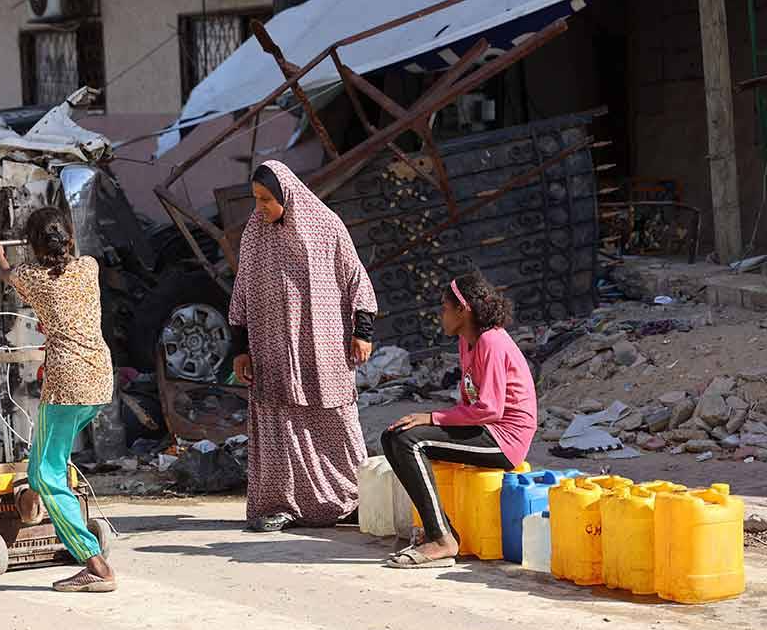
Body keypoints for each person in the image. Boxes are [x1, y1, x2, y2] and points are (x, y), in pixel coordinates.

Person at [229, 160, 378, 532]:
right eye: (256, 200)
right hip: (272, 352)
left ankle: (353, 500)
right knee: (280, 427)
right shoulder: (253, 234)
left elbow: (356, 278)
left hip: (323, 351)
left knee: (338, 425)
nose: (260, 207)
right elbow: (243, 292)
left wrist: (363, 331)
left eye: (266, 200)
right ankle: (281, 506)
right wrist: (241, 347)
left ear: (287, 196)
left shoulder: (327, 227)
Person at [0, 206, 116, 592]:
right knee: (50, 451)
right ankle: (31, 504)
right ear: (69, 239)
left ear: (35, 246)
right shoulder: (89, 267)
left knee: (46, 473)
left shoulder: (32, 277)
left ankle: (95, 565)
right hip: (99, 379)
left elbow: (6, 274)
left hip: (68, 383)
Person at [382, 271, 537, 568]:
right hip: (483, 428)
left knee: (408, 441)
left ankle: (441, 539)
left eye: (444, 307)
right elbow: (469, 401)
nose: (441, 315)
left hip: (505, 440)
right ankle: (440, 530)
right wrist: (432, 421)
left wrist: (432, 417)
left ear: (462, 310)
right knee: (394, 435)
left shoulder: (492, 342)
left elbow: (490, 408)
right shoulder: (467, 342)